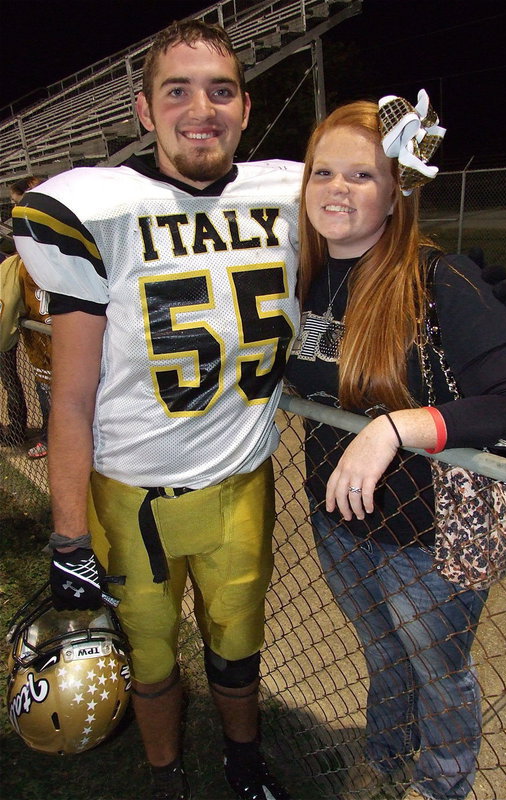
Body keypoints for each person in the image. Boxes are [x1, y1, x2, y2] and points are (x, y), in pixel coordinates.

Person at [13, 19, 301, 800]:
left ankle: (245, 770)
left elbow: (380, 237)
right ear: (144, 112)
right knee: (150, 659)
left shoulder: (290, 195)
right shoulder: (101, 209)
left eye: (220, 91)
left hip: (243, 483)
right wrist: (69, 536)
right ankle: (166, 777)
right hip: (132, 500)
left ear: (244, 108)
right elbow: (70, 398)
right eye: (176, 91)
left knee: (239, 653)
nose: (200, 109)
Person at [285, 92, 506, 800]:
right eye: (322, 173)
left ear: (397, 190)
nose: (336, 190)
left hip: (425, 539)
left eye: (361, 175)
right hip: (340, 528)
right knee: (384, 655)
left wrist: (396, 426)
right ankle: (385, 762)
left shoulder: (438, 277)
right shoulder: (307, 276)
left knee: (438, 672)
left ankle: (442, 784)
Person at [0, 177, 51, 458]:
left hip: (59, 336)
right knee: (44, 391)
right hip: (39, 341)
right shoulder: (20, 259)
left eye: (18, 204)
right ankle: (47, 436)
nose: (15, 212)